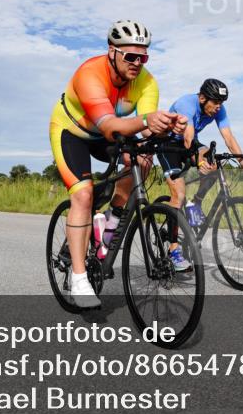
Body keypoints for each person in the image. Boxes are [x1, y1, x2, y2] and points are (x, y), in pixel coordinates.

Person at [49, 20, 186, 308]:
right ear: (112, 51)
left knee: (143, 160)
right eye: (131, 56)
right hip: (72, 132)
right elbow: (111, 125)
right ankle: (79, 278)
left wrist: (167, 127)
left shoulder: (147, 82)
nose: (137, 63)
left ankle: (111, 221)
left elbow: (146, 129)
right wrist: (147, 120)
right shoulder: (89, 74)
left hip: (106, 133)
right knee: (83, 194)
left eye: (143, 57)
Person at [158, 79, 243, 227]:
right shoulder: (186, 104)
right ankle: (171, 241)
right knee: (179, 195)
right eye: (216, 102)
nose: (219, 106)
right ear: (202, 98)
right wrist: (199, 161)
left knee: (214, 164)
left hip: (191, 142)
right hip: (168, 144)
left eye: (221, 102)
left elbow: (229, 138)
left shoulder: (219, 110)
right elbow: (188, 139)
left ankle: (196, 202)